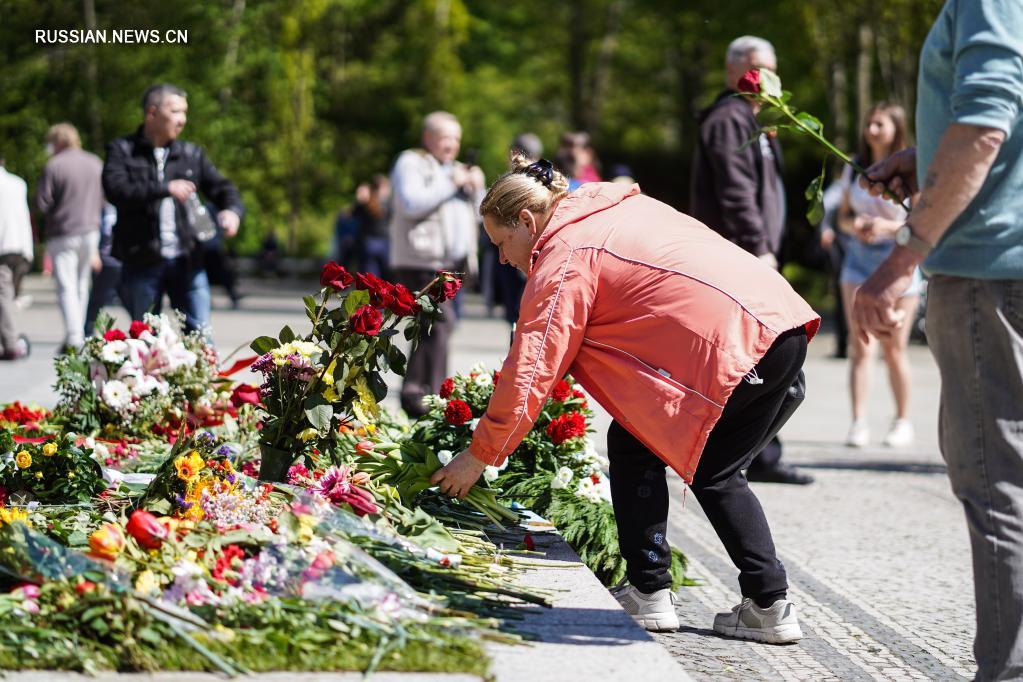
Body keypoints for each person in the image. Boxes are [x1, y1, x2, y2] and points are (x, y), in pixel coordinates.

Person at [432, 157, 819, 643]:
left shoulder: (564, 256)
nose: (506, 259)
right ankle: (654, 588)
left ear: (527, 222)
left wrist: (479, 455)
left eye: (502, 244)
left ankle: (763, 602)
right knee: (636, 441)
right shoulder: (607, 208)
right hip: (780, 322)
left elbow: (530, 368)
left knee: (714, 474)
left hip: (745, 344)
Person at [853, 3, 1023, 679]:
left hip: (989, 273)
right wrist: (926, 154)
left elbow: (985, 124)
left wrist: (904, 254)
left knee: (997, 482)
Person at [689, 34, 812, 485]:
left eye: (771, 69)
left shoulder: (756, 121)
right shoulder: (728, 119)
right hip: (739, 255)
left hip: (753, 255)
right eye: (757, 67)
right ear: (733, 68)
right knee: (755, 355)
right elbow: (736, 190)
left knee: (758, 356)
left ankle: (756, 452)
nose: (766, 78)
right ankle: (744, 454)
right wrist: (758, 247)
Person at [102, 83, 244, 332]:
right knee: (146, 342)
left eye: (185, 112)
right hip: (141, 261)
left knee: (201, 339)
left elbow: (224, 189)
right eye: (176, 112)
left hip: (188, 262)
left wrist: (232, 211)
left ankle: (202, 373)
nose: (183, 120)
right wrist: (165, 189)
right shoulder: (122, 150)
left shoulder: (192, 154)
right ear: (152, 113)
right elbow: (116, 190)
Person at [388, 111, 484, 417]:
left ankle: (420, 393)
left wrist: (476, 189)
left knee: (435, 327)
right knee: (438, 324)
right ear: (428, 137)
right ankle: (427, 396)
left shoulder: (455, 171)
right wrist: (450, 182)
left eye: (457, 138)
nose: (452, 145)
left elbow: (482, 216)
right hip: (420, 261)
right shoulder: (411, 163)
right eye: (446, 138)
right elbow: (411, 203)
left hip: (451, 265)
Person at [837, 103, 919, 449]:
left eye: (879, 123)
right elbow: (841, 217)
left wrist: (887, 227)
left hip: (900, 262)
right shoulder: (853, 167)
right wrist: (854, 226)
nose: (871, 129)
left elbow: (923, 219)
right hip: (857, 262)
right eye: (869, 122)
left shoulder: (913, 169)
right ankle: (858, 421)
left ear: (895, 127)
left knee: (894, 347)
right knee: (860, 345)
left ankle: (902, 420)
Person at [35, 123, 104, 352]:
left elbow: (43, 203)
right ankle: (80, 332)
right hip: (91, 231)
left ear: (58, 142)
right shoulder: (95, 162)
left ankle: (74, 336)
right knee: (82, 284)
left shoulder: (54, 165)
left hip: (63, 232)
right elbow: (105, 200)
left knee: (66, 286)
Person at [0, 158, 33, 360]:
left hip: (3, 246)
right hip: (20, 245)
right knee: (8, 294)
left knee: (4, 295)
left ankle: (10, 343)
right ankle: (9, 341)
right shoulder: (18, 183)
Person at [84, 203, 127, 336]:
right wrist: (94, 253)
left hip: (122, 262)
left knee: (129, 299)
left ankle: (143, 331)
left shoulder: (125, 205)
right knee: (97, 301)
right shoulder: (99, 209)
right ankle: (87, 331)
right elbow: (93, 231)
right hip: (105, 262)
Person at [354, 174, 392, 279]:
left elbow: (353, 215)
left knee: (370, 278)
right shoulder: (388, 204)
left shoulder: (366, 202)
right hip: (383, 242)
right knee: (384, 278)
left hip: (368, 243)